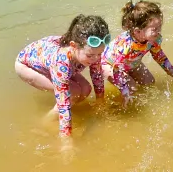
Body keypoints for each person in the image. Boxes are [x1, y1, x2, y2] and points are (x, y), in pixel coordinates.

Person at [14, 14, 109, 142]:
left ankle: (71, 113)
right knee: (73, 92)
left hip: (53, 62)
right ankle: (44, 122)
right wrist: (66, 141)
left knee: (86, 89)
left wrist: (100, 101)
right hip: (26, 66)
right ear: (74, 46)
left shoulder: (93, 51)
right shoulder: (61, 62)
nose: (96, 59)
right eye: (91, 55)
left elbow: (96, 74)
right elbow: (63, 102)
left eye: (100, 54)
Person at [102, 0, 173, 107]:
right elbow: (117, 68)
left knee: (149, 82)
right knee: (131, 88)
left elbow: (158, 55)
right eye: (155, 29)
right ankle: (117, 108)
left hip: (130, 64)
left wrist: (171, 70)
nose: (159, 32)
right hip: (110, 65)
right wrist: (125, 91)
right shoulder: (125, 46)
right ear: (138, 31)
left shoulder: (153, 39)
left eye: (160, 27)